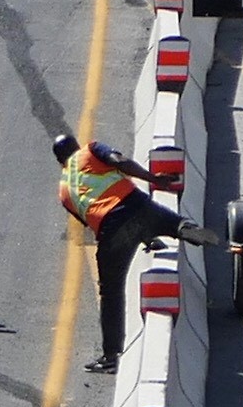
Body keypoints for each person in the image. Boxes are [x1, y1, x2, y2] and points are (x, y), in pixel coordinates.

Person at [54, 131, 182, 382]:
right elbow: (120, 162)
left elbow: (94, 221)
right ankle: (182, 227)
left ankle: (111, 355)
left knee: (111, 291)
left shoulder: (64, 192)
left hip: (111, 230)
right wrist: (152, 178)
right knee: (163, 220)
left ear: (59, 161)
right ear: (76, 146)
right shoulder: (90, 151)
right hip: (136, 205)